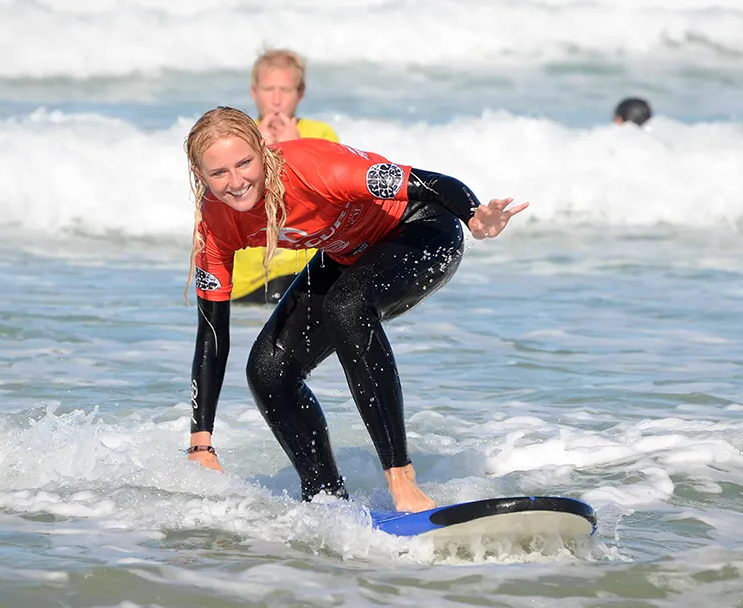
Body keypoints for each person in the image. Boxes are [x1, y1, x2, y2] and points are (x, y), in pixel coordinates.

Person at [182, 106, 528, 513]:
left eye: (244, 163)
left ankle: (402, 480)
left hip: (423, 230)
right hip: (349, 256)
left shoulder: (317, 167)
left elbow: (432, 184)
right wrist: (200, 441)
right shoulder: (216, 222)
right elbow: (211, 332)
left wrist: (474, 215)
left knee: (347, 306)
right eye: (219, 173)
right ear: (199, 175)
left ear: (263, 149)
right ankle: (326, 501)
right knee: (268, 371)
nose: (236, 182)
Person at [232, 48, 339, 304]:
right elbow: (230, 200)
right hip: (250, 280)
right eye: (268, 90)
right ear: (254, 93)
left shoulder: (319, 133)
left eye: (286, 90)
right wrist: (259, 151)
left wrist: (295, 150)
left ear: (300, 94)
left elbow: (332, 202)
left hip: (305, 271)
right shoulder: (236, 136)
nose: (277, 101)